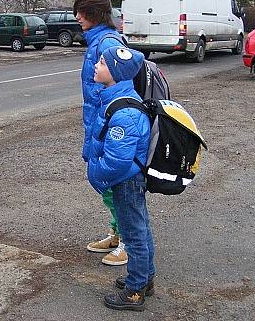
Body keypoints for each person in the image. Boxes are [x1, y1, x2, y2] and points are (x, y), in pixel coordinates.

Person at [87, 45, 155, 311]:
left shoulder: (125, 114)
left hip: (126, 182)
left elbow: (117, 161)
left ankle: (135, 291)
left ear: (115, 73)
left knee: (134, 235)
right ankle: (144, 278)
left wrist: (97, 173)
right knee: (140, 229)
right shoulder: (118, 99)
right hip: (129, 180)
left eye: (102, 63)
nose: (96, 66)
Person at [74, 0, 129, 266]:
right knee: (109, 184)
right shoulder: (99, 41)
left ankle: (128, 242)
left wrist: (105, 129)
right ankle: (117, 234)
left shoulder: (106, 44)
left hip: (108, 127)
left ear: (93, 14)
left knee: (115, 184)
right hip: (99, 125)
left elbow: (117, 91)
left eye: (81, 12)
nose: (76, 17)